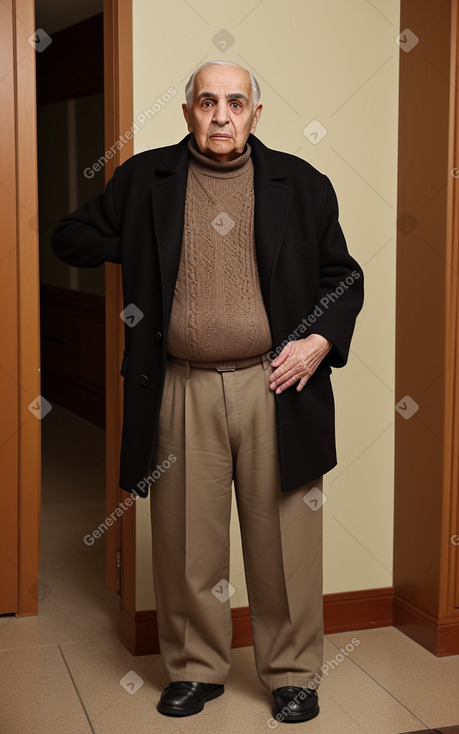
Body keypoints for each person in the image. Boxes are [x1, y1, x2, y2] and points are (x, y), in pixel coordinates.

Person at [52, 60, 364, 724]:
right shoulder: (145, 180)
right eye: (205, 102)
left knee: (284, 542)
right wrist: (137, 245)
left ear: (255, 112)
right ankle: (196, 670)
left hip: (275, 387)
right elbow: (69, 237)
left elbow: (344, 276)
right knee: (186, 541)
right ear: (188, 110)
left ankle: (291, 675)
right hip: (180, 388)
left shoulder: (301, 184)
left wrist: (318, 342)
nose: (220, 115)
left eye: (234, 102)